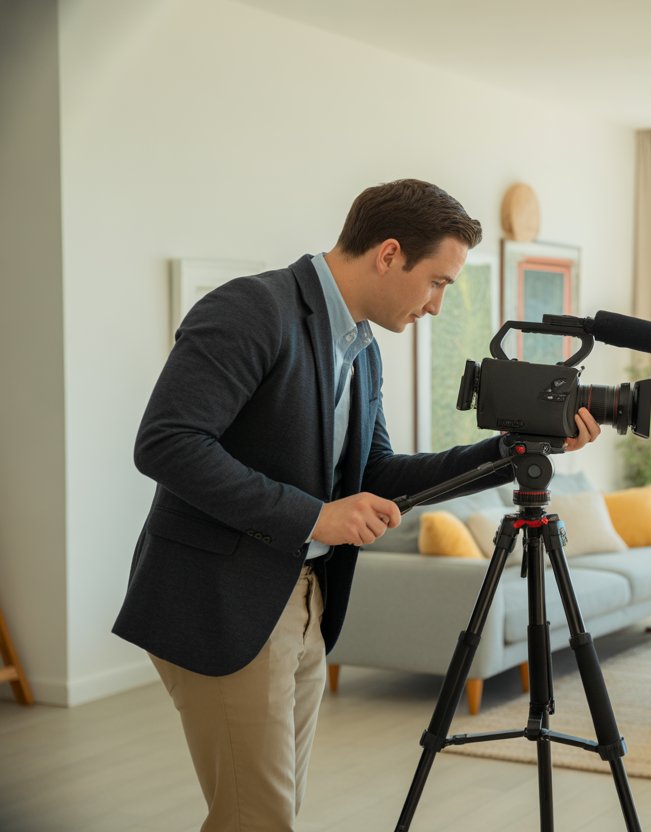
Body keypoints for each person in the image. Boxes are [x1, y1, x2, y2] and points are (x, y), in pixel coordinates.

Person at [113, 178, 601, 831]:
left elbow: (379, 473)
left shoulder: (360, 348)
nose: (435, 305)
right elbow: (167, 444)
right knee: (256, 819)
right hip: (226, 601)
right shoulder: (253, 309)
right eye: (437, 282)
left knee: (270, 813)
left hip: (308, 601)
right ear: (389, 253)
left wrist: (515, 449)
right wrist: (316, 516)